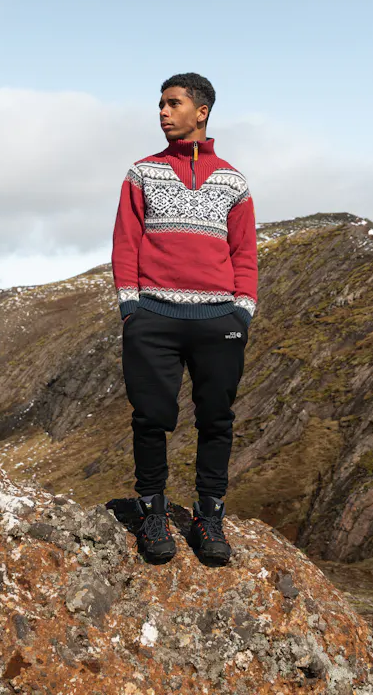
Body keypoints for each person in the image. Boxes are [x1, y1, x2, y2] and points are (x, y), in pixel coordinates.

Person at [111, 72, 257, 564]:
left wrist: (243, 311)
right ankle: (152, 512)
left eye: (172, 104)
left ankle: (209, 516)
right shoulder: (141, 173)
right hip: (153, 316)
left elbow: (245, 253)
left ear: (202, 111)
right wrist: (131, 308)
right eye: (160, 104)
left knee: (217, 420)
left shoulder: (233, 181)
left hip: (220, 321)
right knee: (151, 419)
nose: (162, 112)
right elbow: (125, 243)